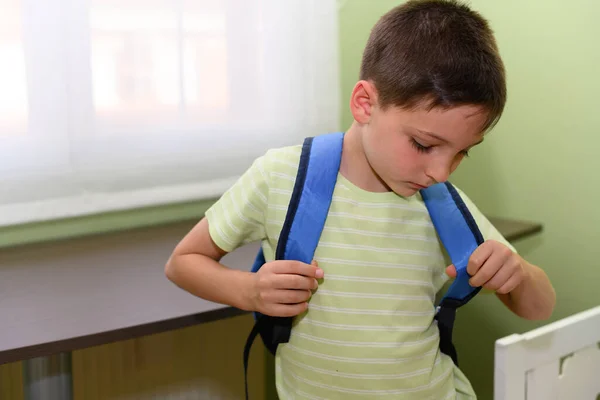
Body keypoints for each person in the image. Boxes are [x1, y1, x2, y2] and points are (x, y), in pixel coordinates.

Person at [164, 0, 556, 398]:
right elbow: (183, 263)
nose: (441, 172)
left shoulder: (441, 204)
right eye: (423, 144)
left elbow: (539, 307)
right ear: (365, 103)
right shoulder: (279, 178)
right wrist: (249, 291)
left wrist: (518, 274)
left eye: (461, 152)